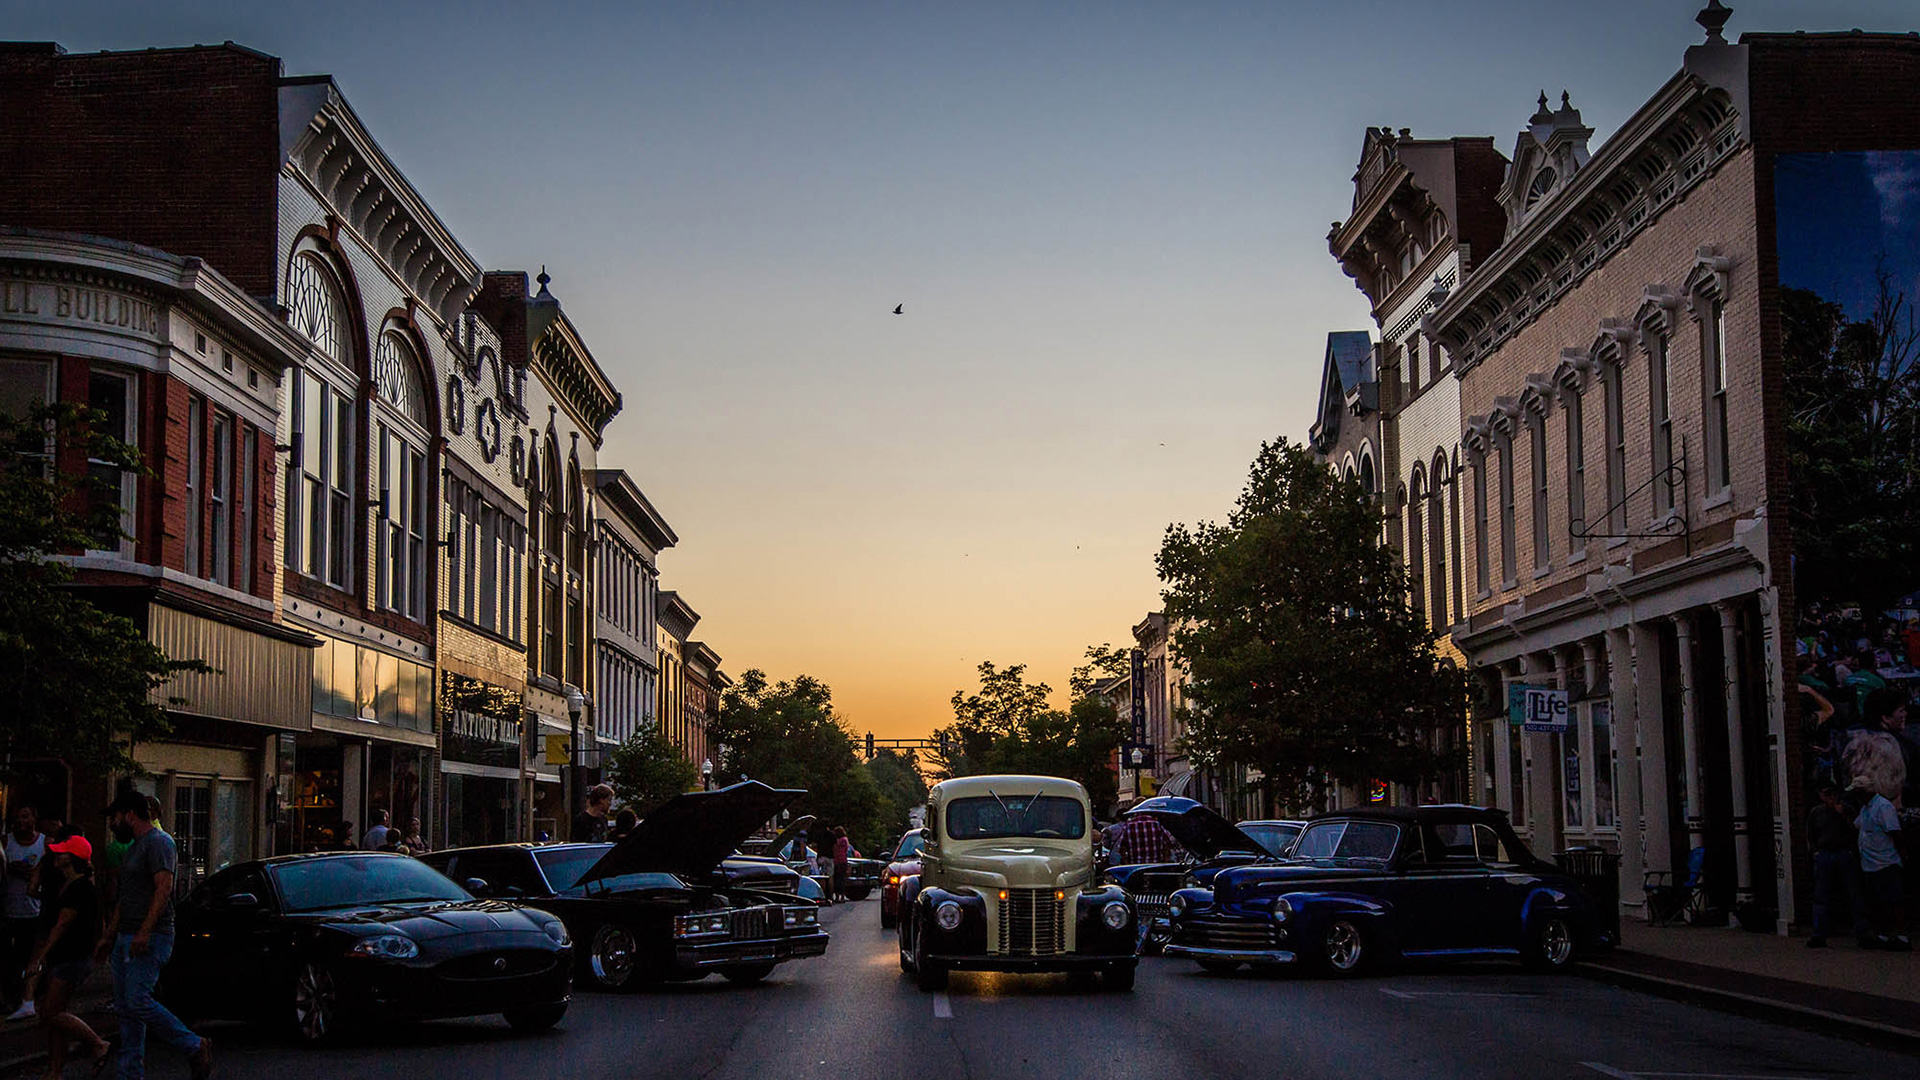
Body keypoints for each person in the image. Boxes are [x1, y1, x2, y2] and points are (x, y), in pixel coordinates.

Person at [97, 790, 212, 1080]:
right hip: (126, 935)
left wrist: (145, 931)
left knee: (137, 1000)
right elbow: (127, 897)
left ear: (129, 815)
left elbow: (164, 888)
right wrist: (109, 935)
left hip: (152, 935)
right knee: (127, 1010)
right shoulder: (134, 847)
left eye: (115, 817)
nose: (112, 823)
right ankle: (129, 1073)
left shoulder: (159, 844)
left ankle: (194, 1045)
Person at [27, 834, 109, 1077]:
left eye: (62, 852)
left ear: (72, 858)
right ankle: (54, 1071)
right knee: (55, 1016)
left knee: (50, 1012)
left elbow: (62, 926)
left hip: (71, 957)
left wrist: (40, 957)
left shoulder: (81, 887)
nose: (57, 855)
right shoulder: (65, 884)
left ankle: (97, 1042)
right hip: (65, 957)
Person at [1850, 775, 1909, 951]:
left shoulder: (1883, 807)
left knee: (1894, 901)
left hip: (1886, 863)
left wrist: (1902, 857)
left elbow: (1895, 833)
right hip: (1870, 864)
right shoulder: (1865, 808)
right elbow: (1857, 826)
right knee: (1878, 902)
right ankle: (1883, 935)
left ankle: (1902, 936)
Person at [1806, 784, 1868, 948]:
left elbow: (1855, 829)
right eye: (1827, 795)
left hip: (1843, 853)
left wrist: (1843, 815)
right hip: (1825, 853)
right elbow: (1811, 834)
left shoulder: (1847, 809)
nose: (1830, 798)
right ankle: (1819, 934)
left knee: (1854, 894)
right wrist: (1815, 852)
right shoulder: (1816, 813)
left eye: (1833, 794)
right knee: (1821, 896)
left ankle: (1862, 933)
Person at [4, 805, 45, 1022]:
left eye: (25, 816)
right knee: (11, 959)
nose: (21, 820)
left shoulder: (44, 843)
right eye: (17, 816)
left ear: (34, 818)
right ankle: (12, 997)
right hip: (10, 910)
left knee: (32, 956)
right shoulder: (6, 842)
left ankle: (30, 997)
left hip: (34, 911)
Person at [1110, 815, 1180, 867]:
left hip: (1135, 867)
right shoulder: (1157, 824)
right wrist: (1165, 860)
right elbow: (1169, 843)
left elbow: (1120, 848)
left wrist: (1127, 863)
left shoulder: (1128, 826)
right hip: (1156, 866)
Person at [831, 827, 851, 902]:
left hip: (837, 861)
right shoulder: (845, 840)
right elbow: (846, 849)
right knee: (842, 878)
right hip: (843, 860)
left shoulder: (837, 841)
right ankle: (842, 896)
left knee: (836, 879)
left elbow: (834, 849)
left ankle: (837, 896)